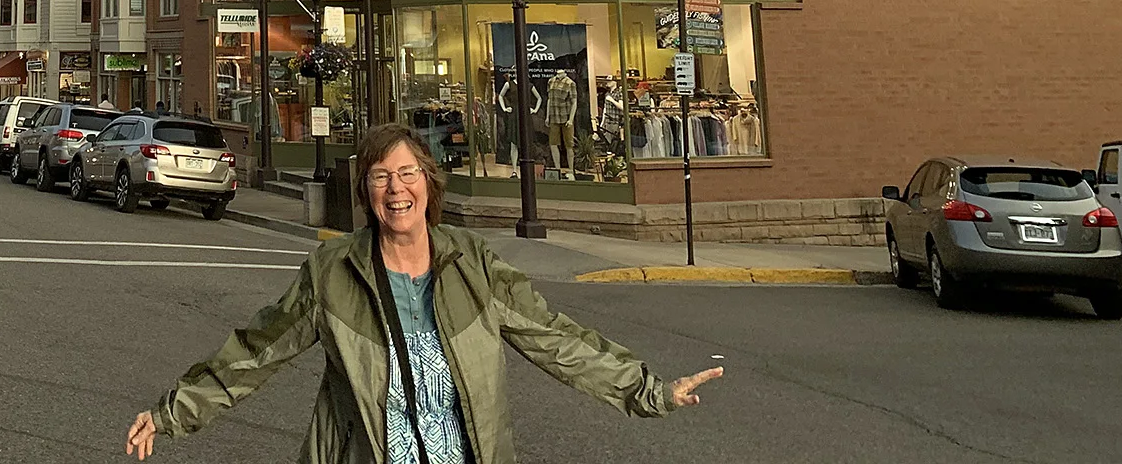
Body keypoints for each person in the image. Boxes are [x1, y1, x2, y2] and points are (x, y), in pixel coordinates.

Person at [126, 121, 720, 463]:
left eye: (407, 173)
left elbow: (556, 339)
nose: (396, 189)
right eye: (380, 176)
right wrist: (169, 413)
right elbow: (255, 352)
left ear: (428, 184)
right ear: (366, 190)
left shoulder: (473, 264)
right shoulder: (334, 270)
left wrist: (652, 391)